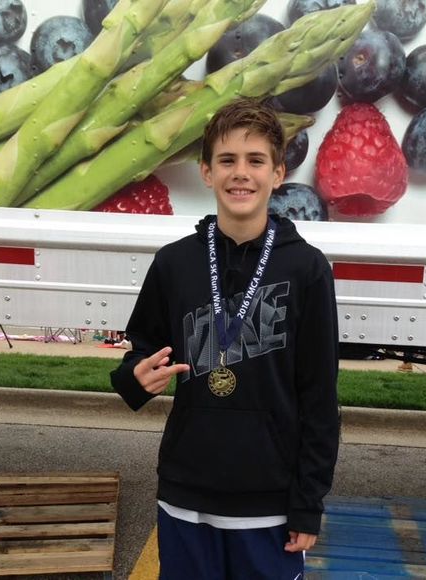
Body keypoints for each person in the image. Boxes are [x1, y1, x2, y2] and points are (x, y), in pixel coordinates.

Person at [110, 98, 340, 579]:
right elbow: (140, 354)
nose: (241, 173)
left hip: (269, 505)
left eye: (256, 161)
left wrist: (307, 504)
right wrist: (135, 377)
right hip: (185, 495)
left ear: (278, 173)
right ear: (206, 172)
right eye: (227, 160)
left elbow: (320, 398)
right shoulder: (174, 263)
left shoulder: (307, 268)